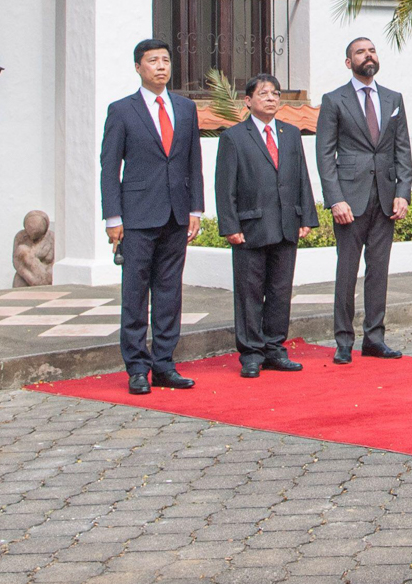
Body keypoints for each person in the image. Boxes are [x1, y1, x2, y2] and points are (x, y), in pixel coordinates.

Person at [101, 38, 204, 394]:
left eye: (165, 60)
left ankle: (164, 364)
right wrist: (112, 217)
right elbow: (109, 167)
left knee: (169, 293)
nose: (160, 66)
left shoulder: (186, 108)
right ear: (138, 68)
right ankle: (136, 368)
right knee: (135, 293)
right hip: (138, 216)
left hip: (176, 215)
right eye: (152, 61)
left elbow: (193, 162)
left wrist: (195, 208)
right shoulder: (122, 111)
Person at [316, 37, 412, 365]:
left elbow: (403, 150)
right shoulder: (334, 100)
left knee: (379, 270)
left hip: (385, 196)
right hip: (350, 199)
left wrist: (403, 192)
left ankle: (375, 337)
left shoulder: (393, 98)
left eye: (371, 50)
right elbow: (325, 155)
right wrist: (335, 199)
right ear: (348, 62)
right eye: (360, 52)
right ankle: (343, 340)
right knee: (347, 270)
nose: (368, 56)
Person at [216, 73, 318, 379]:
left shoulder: (290, 133)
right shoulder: (233, 137)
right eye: (264, 94)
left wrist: (306, 217)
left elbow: (302, 177)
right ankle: (251, 352)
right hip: (250, 227)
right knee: (249, 292)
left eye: (275, 93)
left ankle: (275, 348)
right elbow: (225, 187)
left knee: (279, 290)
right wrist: (230, 225)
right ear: (248, 101)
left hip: (286, 224)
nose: (271, 98)